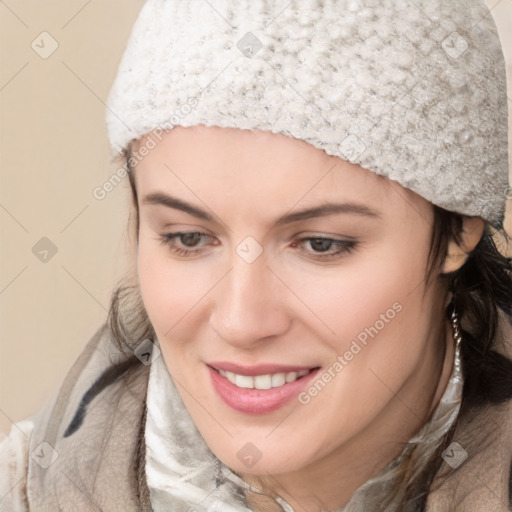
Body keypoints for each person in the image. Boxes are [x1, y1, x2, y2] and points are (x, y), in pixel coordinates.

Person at [1, 1, 512, 511]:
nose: (241, 322)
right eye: (188, 238)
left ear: (458, 231)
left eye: (320, 244)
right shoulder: (26, 490)